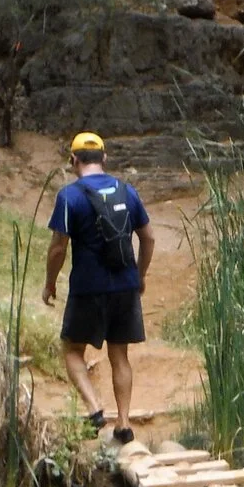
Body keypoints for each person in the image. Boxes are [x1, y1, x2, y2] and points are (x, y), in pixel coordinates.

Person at [43, 132, 155, 444]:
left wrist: (50, 282)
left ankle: (94, 410)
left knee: (72, 349)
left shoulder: (69, 196)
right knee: (120, 355)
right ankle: (123, 423)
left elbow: (57, 248)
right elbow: (148, 237)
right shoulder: (127, 191)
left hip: (87, 288)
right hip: (125, 286)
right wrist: (140, 275)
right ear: (105, 159)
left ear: (72, 161)